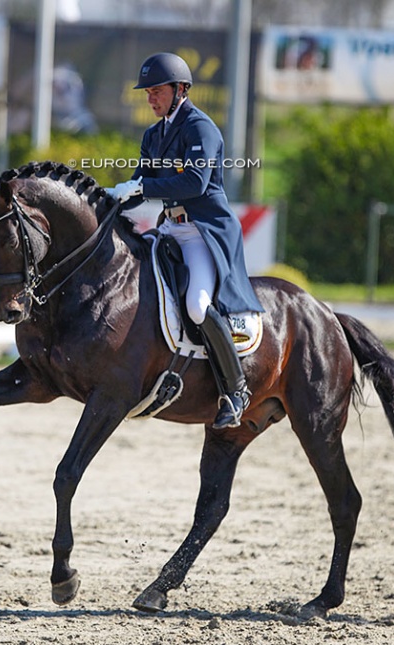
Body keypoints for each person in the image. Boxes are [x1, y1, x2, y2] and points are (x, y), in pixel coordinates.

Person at [109, 52, 264, 430]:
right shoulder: (153, 134)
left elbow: (193, 183)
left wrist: (143, 185)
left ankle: (235, 389)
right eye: (147, 92)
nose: (150, 99)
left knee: (196, 305)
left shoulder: (201, 129)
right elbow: (141, 182)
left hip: (202, 231)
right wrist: (112, 199)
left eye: (156, 91)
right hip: (170, 228)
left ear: (180, 90)